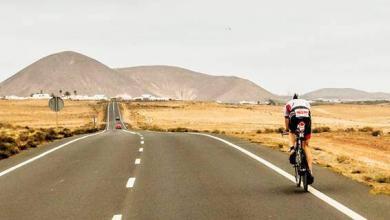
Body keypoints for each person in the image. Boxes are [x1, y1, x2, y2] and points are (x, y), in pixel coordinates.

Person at [284, 93, 314, 184]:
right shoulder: (306, 102)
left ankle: (293, 150)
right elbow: (310, 116)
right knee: (306, 145)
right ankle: (310, 172)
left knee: (291, 132)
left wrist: (286, 129)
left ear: (292, 99)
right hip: (306, 116)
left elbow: (286, 119)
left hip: (294, 115)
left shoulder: (288, 103)